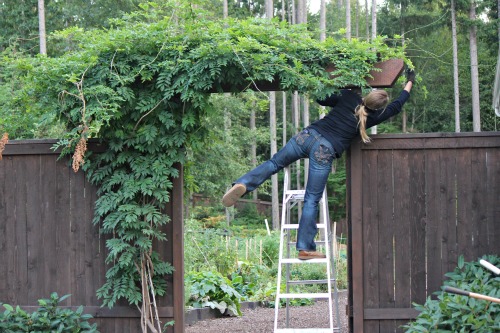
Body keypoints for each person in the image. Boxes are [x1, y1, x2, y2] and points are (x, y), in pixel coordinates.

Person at [222, 69, 416, 260]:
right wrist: (410, 81)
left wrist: (339, 85)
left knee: (274, 163)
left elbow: (322, 98)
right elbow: (398, 104)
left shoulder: (349, 97)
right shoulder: (374, 117)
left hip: (307, 136)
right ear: (379, 107)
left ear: (369, 95)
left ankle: (244, 184)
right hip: (324, 149)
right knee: (311, 198)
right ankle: (305, 248)